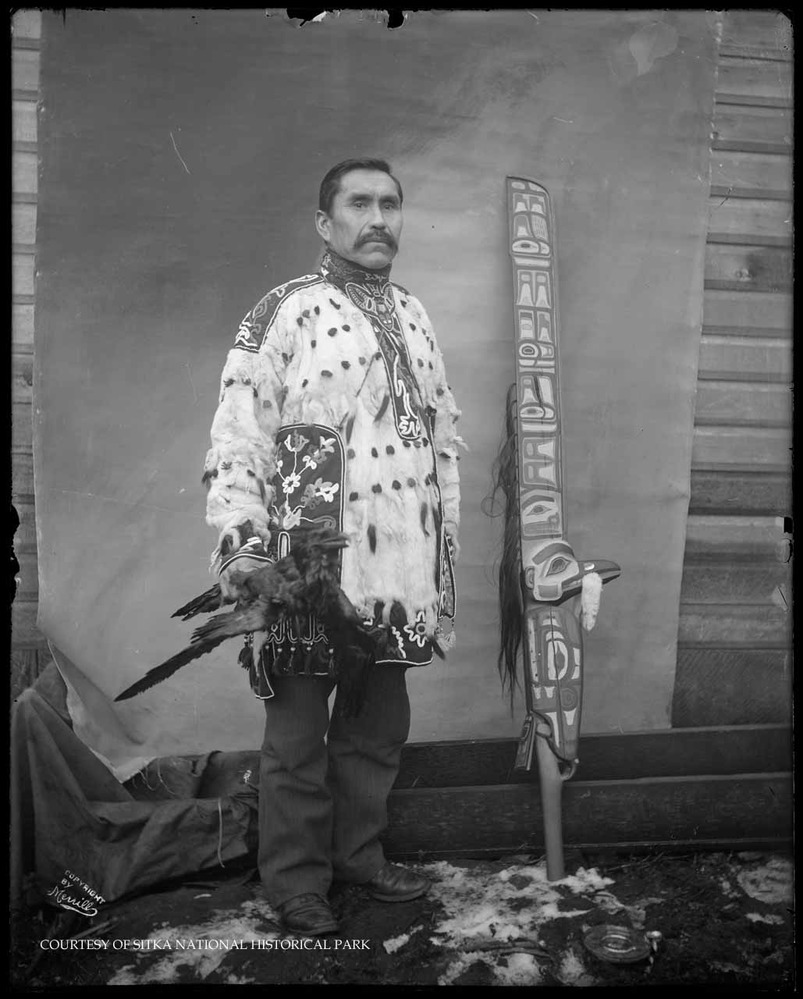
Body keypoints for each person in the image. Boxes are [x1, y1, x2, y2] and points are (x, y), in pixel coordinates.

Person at [203, 158, 462, 936]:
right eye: (359, 203)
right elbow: (238, 432)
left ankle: (359, 857)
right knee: (294, 738)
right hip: (307, 562)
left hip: (399, 569)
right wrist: (244, 545)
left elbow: (441, 441)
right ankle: (295, 883)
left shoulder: (415, 314)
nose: (377, 217)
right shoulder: (285, 310)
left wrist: (438, 565)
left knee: (376, 730)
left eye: (389, 203)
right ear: (326, 223)